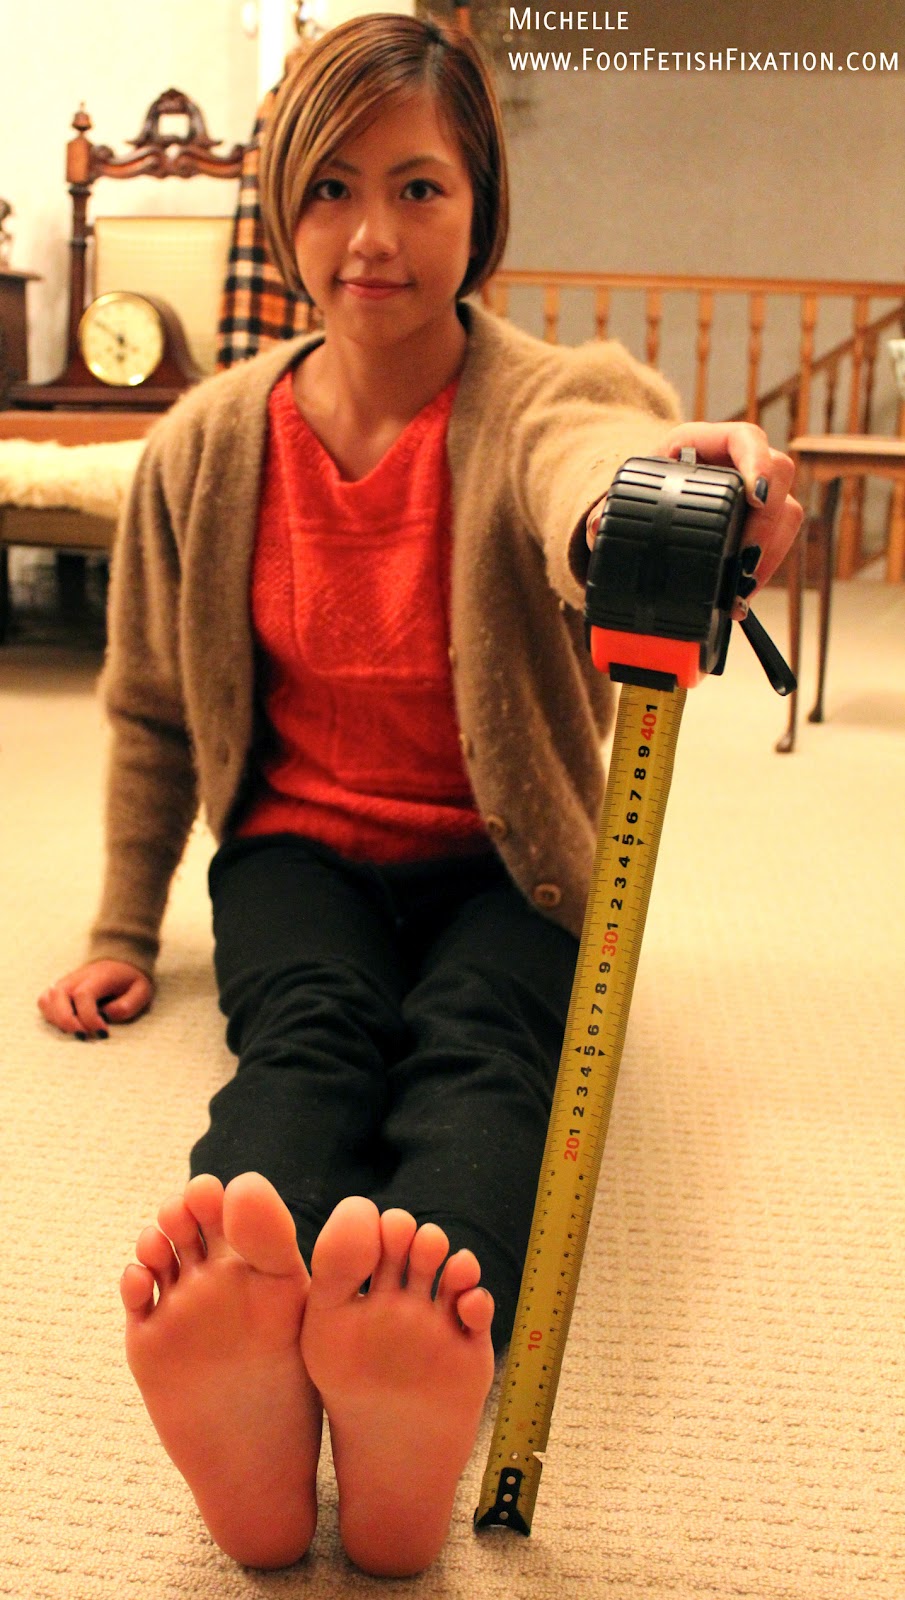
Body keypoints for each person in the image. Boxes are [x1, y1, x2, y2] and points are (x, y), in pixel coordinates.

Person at [37, 13, 802, 1579]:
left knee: (482, 1057)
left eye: (418, 188)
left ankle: (409, 1398)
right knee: (307, 1036)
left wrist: (658, 500)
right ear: (281, 211)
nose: (371, 236)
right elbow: (152, 711)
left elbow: (590, 461)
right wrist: (122, 927)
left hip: (505, 860)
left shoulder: (549, 395)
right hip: (296, 849)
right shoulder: (204, 443)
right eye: (329, 189)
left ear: (480, 209)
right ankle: (250, 1356)